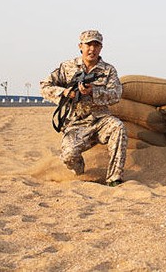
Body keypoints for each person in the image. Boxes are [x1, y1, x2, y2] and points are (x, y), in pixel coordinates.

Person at [40, 30, 127, 186]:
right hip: (76, 123)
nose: (92, 49)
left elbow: (116, 95)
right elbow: (45, 86)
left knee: (118, 127)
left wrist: (94, 91)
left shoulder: (108, 71)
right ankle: (80, 173)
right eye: (88, 45)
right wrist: (65, 92)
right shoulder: (67, 67)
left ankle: (114, 178)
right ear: (80, 46)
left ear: (101, 48)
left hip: (101, 121)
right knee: (68, 155)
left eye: (96, 45)